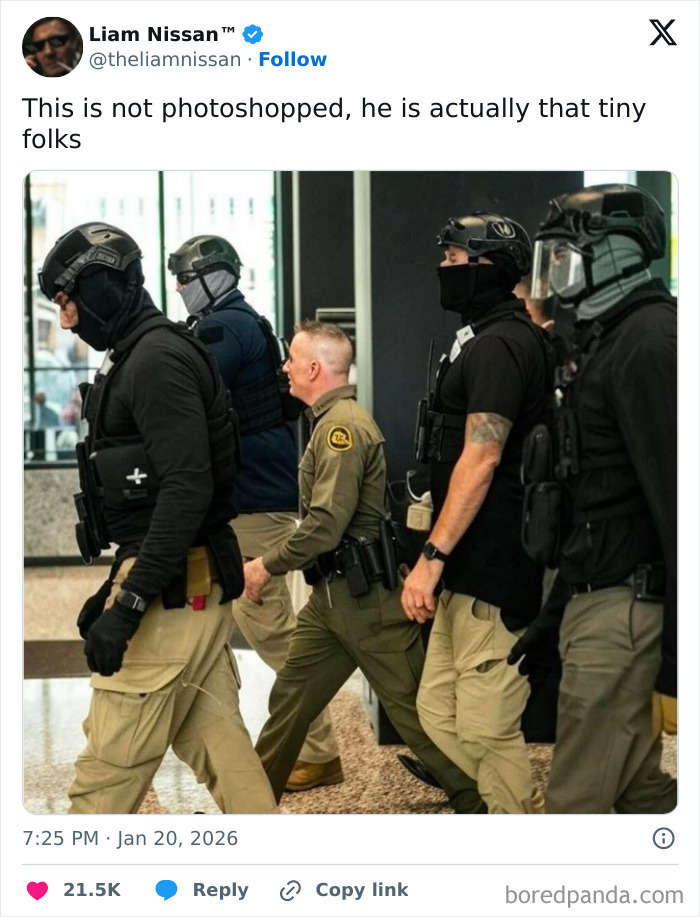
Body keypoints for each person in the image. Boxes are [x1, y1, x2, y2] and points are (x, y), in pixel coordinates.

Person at [39, 222, 277, 815]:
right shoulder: (151, 352)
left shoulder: (155, 361)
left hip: (174, 590)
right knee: (225, 752)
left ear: (100, 289)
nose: (68, 321)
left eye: (69, 303)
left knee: (105, 777)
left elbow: (186, 488)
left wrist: (130, 604)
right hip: (186, 582)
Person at [244, 320, 485, 813]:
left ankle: (479, 800)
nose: (284, 367)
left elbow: (326, 526)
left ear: (314, 368)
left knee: (412, 712)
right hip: (332, 600)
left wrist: (266, 566)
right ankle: (247, 804)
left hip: (365, 602)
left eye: (291, 359)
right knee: (291, 698)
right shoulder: (329, 422)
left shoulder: (341, 429)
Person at [517, 183, 677, 813]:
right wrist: (555, 613)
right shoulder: (609, 340)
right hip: (601, 595)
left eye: (562, 256)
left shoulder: (649, 344)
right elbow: (593, 498)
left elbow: (676, 499)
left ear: (614, 254)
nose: (551, 276)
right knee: (640, 793)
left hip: (625, 609)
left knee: (574, 808)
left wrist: (678, 652)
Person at [168, 235, 342, 792]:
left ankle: (317, 750)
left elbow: (182, 389)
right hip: (246, 501)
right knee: (216, 635)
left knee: (271, 632)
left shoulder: (226, 327)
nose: (179, 288)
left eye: (187, 277)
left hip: (249, 505)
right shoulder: (236, 323)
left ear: (216, 277)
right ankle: (242, 753)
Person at [401, 212, 549, 814]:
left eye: (457, 261)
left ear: (492, 268)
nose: (444, 270)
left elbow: (482, 458)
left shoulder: (502, 346)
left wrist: (430, 559)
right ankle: (508, 798)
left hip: (496, 563)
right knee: (437, 711)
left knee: (489, 728)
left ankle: (517, 834)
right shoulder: (479, 340)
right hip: (466, 561)